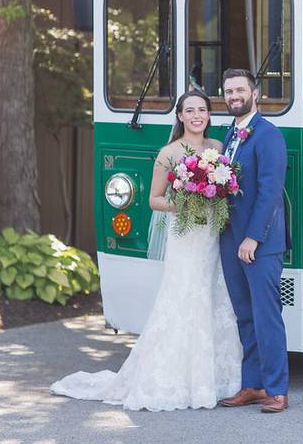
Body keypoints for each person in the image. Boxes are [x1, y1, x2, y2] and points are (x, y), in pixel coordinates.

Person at [50, 91, 242, 411]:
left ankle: (216, 377)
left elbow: (226, 189)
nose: (197, 115)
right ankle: (173, 378)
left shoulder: (218, 149)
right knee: (182, 298)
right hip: (185, 239)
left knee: (214, 295)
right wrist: (183, 201)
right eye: (190, 110)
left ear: (209, 115)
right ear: (179, 116)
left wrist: (213, 193)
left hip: (211, 236)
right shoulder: (168, 153)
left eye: (202, 110)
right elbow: (154, 199)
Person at [216, 68, 292, 413]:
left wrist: (252, 239)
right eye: (229, 91)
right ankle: (253, 385)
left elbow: (270, 193)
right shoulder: (227, 135)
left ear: (254, 93)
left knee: (266, 315)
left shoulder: (268, 135)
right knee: (244, 315)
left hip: (258, 243)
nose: (234, 96)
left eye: (239, 90)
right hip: (228, 237)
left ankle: (277, 389)